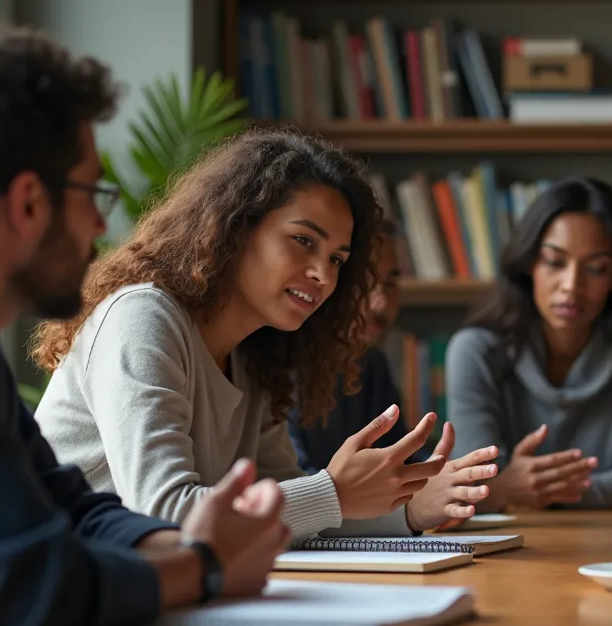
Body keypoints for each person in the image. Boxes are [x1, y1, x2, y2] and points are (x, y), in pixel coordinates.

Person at [0, 26, 289, 626]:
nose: (103, 222)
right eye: (92, 192)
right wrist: (202, 567)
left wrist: (187, 542)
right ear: (27, 204)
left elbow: (68, 503)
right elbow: (22, 590)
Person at [31, 128, 498, 538]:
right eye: (303, 241)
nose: (323, 275)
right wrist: (333, 490)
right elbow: (162, 514)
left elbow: (290, 510)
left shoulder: (256, 357)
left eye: (336, 258)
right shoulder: (142, 318)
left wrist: (410, 509)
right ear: (234, 228)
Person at [446, 176, 612, 510]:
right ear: (530, 263)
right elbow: (471, 481)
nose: (571, 285)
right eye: (555, 262)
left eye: (596, 268)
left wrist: (526, 489)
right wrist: (505, 487)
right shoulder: (475, 351)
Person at [288, 219, 433, 474]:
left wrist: (444, 473)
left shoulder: (371, 365)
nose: (381, 303)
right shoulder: (277, 365)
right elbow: (290, 483)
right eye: (364, 282)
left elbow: (399, 459)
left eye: (390, 283)